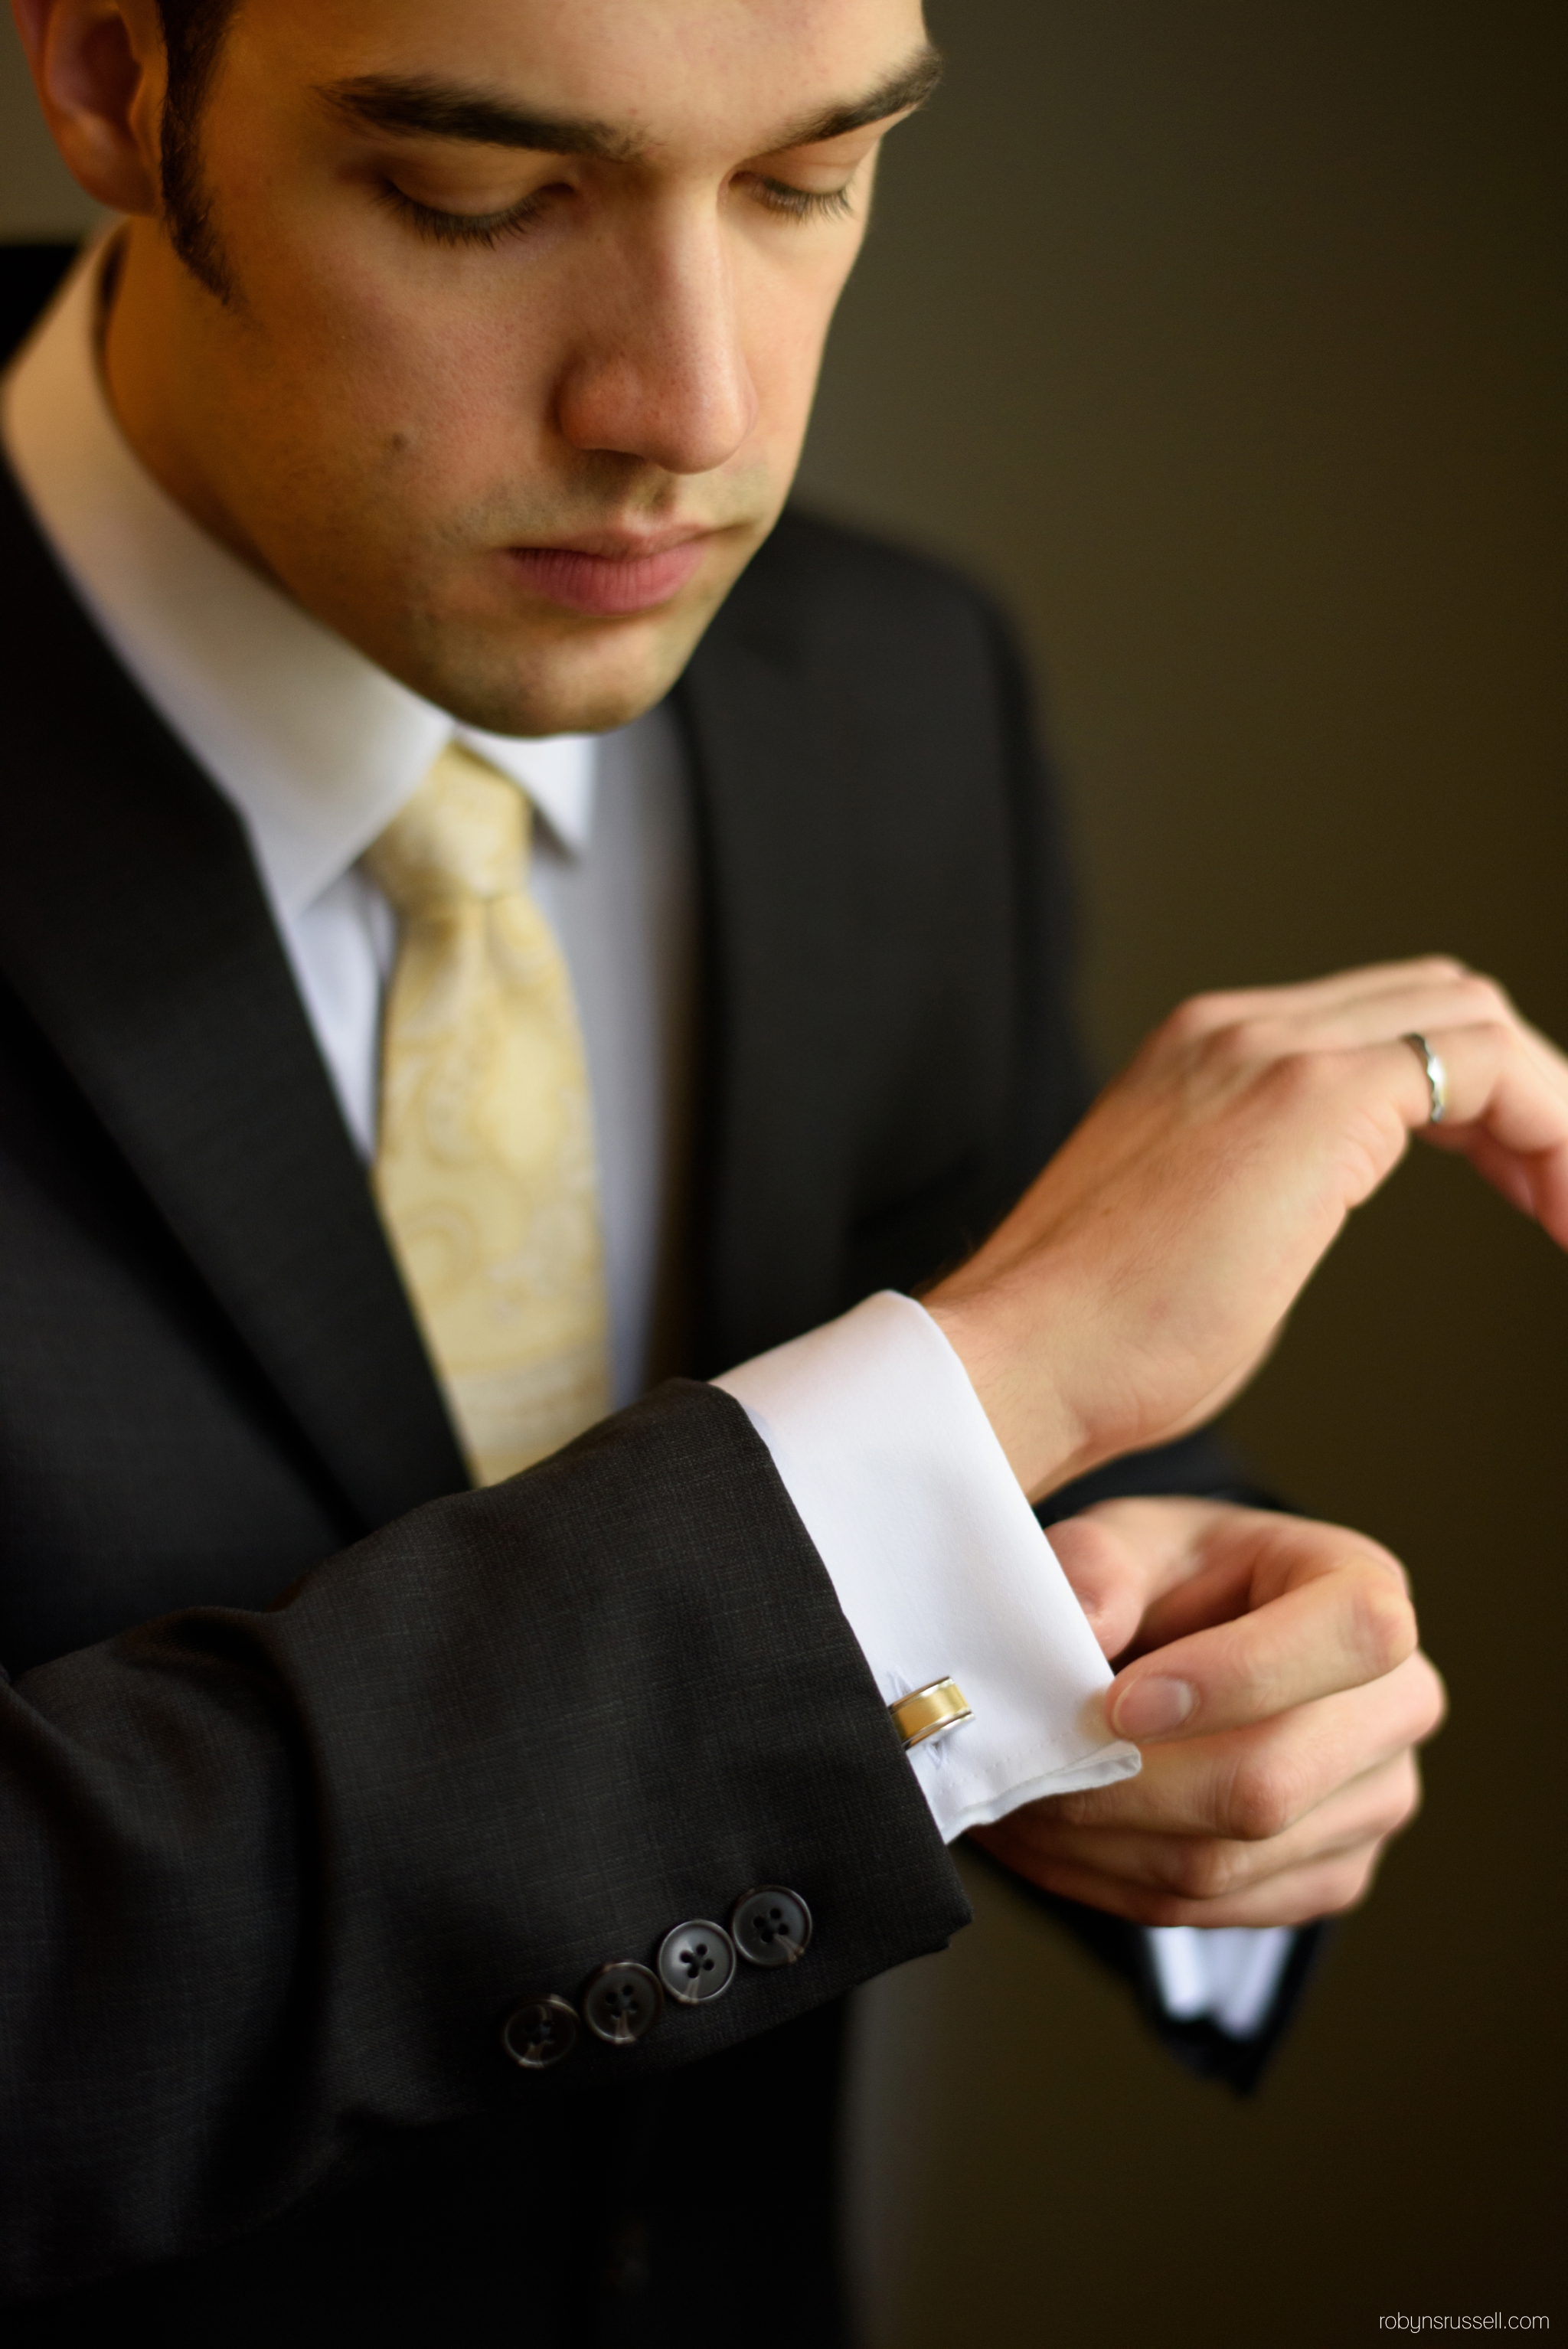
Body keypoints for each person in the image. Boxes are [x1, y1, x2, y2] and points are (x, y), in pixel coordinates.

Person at [2, 0, 1565, 2338]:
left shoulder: (893, 689)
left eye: (809, 180)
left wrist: (1173, 1687)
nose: (692, 417)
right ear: (115, 73)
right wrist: (969, 1414)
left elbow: (982, 1532)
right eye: (477, 196)